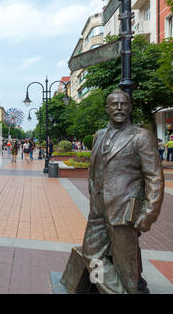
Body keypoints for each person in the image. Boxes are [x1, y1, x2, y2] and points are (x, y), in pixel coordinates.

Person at [62, 89, 164, 294]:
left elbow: (154, 176)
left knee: (126, 267)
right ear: (107, 109)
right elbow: (94, 170)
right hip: (98, 211)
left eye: (123, 104)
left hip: (125, 212)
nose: (119, 108)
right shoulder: (99, 135)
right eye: (114, 104)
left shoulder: (141, 136)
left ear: (130, 107)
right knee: (91, 255)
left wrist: (149, 213)